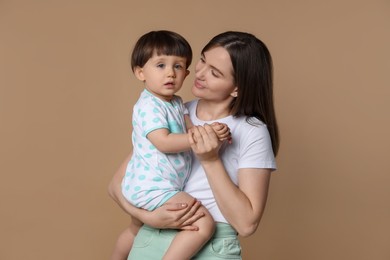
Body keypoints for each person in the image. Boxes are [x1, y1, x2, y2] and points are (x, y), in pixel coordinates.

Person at [108, 31, 279, 259]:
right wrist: (147, 218)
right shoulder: (174, 109)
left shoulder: (251, 130)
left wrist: (211, 160)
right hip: (152, 237)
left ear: (237, 88)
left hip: (212, 244)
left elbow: (247, 224)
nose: (198, 73)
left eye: (214, 72)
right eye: (202, 60)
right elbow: (116, 185)